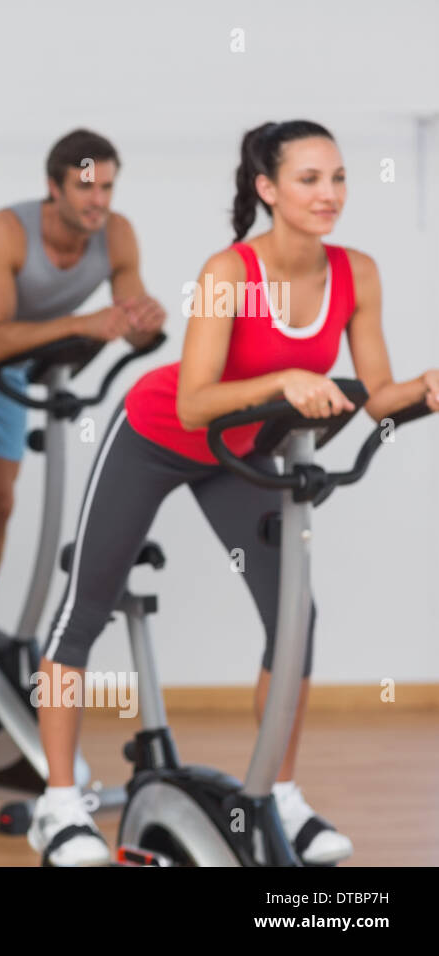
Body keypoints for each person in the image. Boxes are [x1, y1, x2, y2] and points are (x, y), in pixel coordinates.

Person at [29, 120, 439, 866]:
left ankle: (278, 794)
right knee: (84, 611)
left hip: (241, 454)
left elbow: (377, 397)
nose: (329, 195)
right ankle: (58, 805)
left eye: (339, 178)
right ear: (268, 189)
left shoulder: (357, 274)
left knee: (294, 617)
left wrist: (425, 389)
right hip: (156, 434)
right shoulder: (231, 272)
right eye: (310, 179)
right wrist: (284, 381)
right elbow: (193, 402)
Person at [0, 129, 166, 699]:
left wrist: (145, 325)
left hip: (11, 363)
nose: (99, 201)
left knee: (0, 499)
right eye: (86, 187)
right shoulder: (6, 232)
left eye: (108, 188)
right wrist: (80, 323)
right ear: (54, 187)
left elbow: (129, 329)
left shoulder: (116, 236)